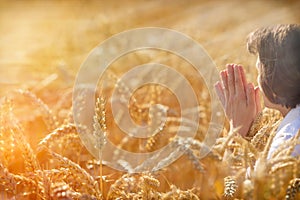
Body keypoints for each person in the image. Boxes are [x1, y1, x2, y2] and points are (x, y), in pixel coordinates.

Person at [214, 24, 300, 159]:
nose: (257, 80)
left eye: (259, 72)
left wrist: (236, 131)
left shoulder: (287, 145)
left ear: (275, 78)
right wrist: (251, 132)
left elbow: (232, 180)